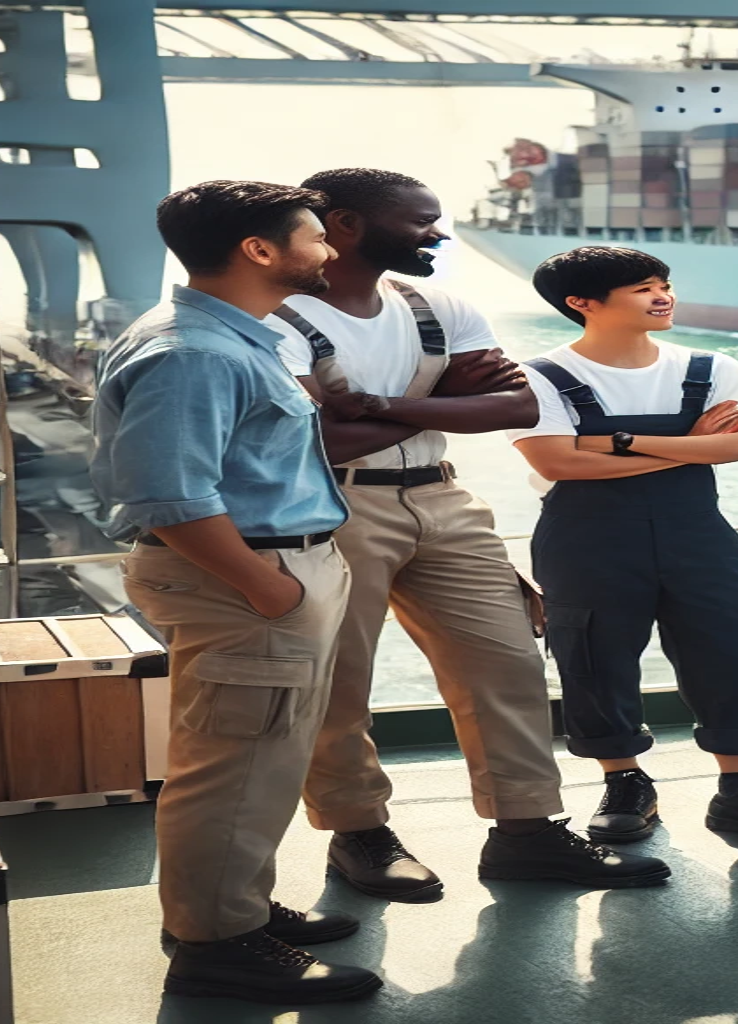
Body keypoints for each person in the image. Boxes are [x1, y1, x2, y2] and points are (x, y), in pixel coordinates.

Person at [268, 169, 668, 899]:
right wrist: (439, 402)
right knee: (340, 679)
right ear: (349, 224)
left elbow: (518, 404)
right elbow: (313, 439)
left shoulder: (436, 304)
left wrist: (383, 406)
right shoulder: (279, 317)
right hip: (333, 507)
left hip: (444, 498)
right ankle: (358, 834)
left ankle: (526, 831)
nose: (440, 233)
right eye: (422, 221)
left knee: (507, 659)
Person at [90, 181, 376, 1003]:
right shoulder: (196, 353)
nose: (329, 251)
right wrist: (270, 590)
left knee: (264, 755)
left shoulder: (233, 336)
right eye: (315, 238)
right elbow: (170, 497)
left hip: (273, 569)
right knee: (234, 763)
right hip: (245, 578)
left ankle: (228, 908)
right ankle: (218, 943)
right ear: (260, 251)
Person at [510, 245, 738, 846]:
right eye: (642, 288)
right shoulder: (540, 376)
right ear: (581, 303)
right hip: (585, 537)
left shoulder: (712, 366)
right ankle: (625, 783)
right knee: (594, 657)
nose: (663, 295)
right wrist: (686, 443)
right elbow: (556, 462)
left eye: (663, 283)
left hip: (696, 532)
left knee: (733, 648)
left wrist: (608, 443)